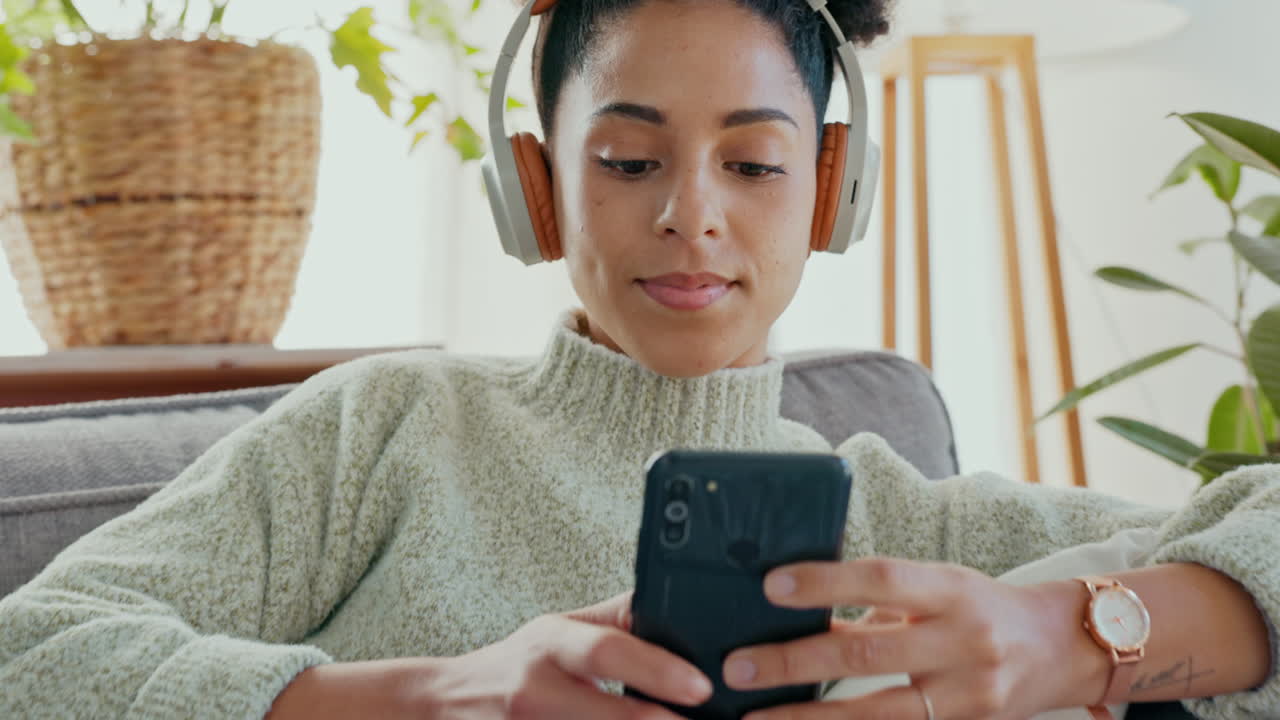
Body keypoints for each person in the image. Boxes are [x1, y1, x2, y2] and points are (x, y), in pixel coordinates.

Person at [1, 0, 1277, 717]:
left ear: (832, 191)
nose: (691, 216)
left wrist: (1070, 634)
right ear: (535, 186)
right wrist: (434, 699)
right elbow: (34, 652)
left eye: (754, 163)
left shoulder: (897, 514)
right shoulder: (387, 426)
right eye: (625, 161)